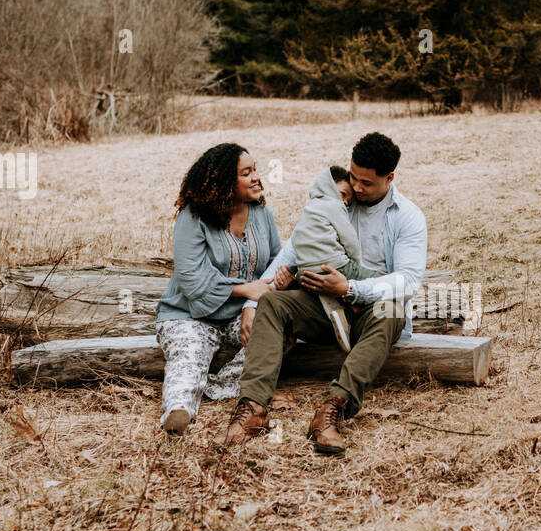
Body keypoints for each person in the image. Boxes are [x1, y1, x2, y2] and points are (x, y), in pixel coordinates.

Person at [221, 132, 427, 454]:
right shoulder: (337, 198)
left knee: (393, 311)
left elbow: (409, 280)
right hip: (321, 306)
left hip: (369, 312)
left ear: (390, 177)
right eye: (353, 178)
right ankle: (253, 408)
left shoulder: (408, 218)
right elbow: (294, 248)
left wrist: (351, 288)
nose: (356, 189)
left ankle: (333, 409)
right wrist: (252, 300)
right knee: (273, 303)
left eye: (366, 183)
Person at [154, 142, 281, 435]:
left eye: (256, 170)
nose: (257, 177)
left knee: (277, 331)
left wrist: (253, 304)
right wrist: (246, 290)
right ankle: (179, 410)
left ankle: (214, 386)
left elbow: (276, 262)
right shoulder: (194, 216)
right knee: (189, 353)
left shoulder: (262, 214)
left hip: (240, 315)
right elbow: (190, 277)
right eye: (246, 173)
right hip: (188, 314)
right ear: (225, 182)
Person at [288, 165, 380, 352]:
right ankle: (351, 312)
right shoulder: (334, 205)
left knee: (333, 287)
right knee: (379, 281)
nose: (346, 202)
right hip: (335, 264)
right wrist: (354, 262)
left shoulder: (310, 209)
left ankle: (339, 311)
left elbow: (298, 240)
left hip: (306, 271)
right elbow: (349, 239)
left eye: (348, 200)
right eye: (344, 194)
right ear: (329, 186)